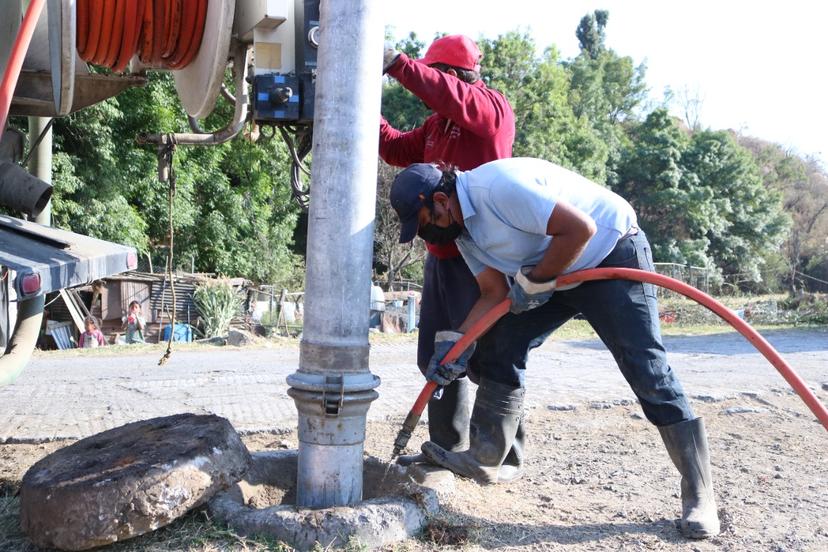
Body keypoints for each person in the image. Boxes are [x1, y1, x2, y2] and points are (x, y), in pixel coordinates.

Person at [389, 159, 721, 539]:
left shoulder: (498, 188)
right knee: (497, 345)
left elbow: (580, 229)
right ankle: (484, 457)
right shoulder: (463, 234)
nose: (426, 235)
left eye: (425, 222)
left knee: (646, 368)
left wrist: (537, 280)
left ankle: (699, 493)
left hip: (610, 252)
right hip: (552, 273)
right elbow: (493, 292)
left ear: (442, 199)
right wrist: (457, 342)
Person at [380, 35, 517, 470]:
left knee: (486, 355)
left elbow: (452, 96)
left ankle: (502, 455)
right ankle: (447, 448)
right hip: (442, 255)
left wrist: (397, 65)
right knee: (438, 356)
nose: (429, 87)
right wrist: (361, 104)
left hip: (481, 256)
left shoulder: (491, 109)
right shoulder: (437, 126)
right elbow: (395, 148)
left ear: (454, 75)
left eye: (432, 73)